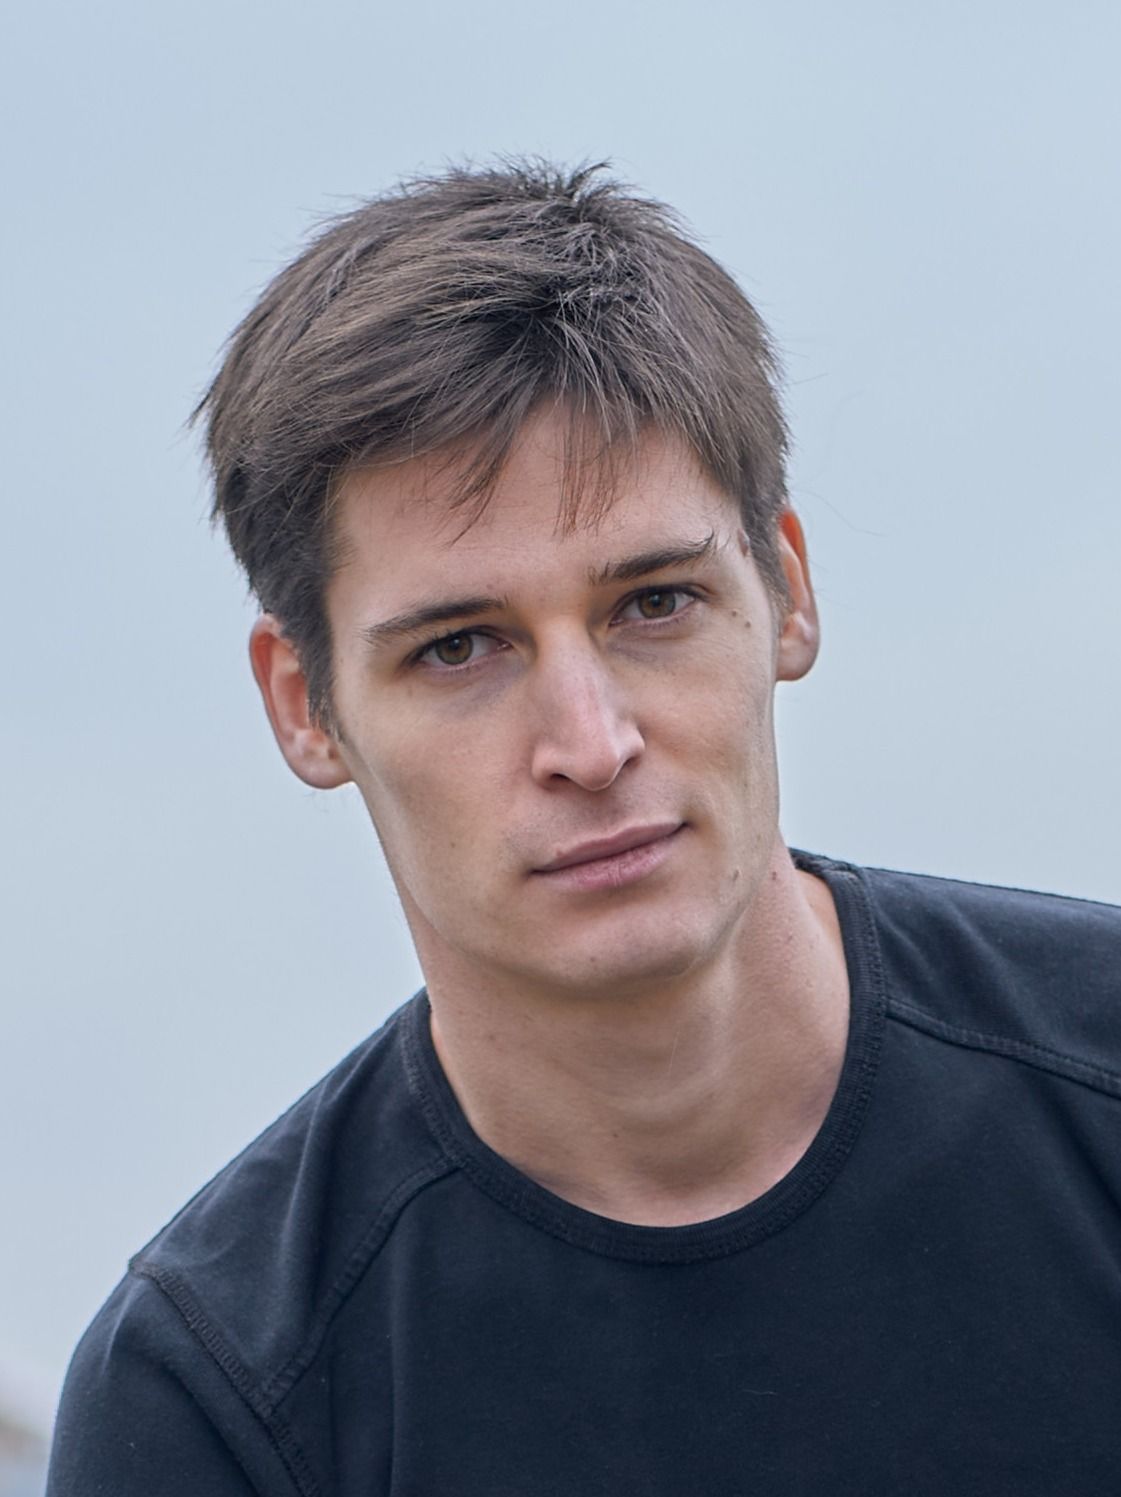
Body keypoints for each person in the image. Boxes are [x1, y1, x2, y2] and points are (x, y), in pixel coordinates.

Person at [47, 161, 1121, 1496]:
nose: (591, 742)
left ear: (785, 592)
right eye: (458, 646)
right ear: (305, 705)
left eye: (654, 603)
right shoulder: (211, 1399)